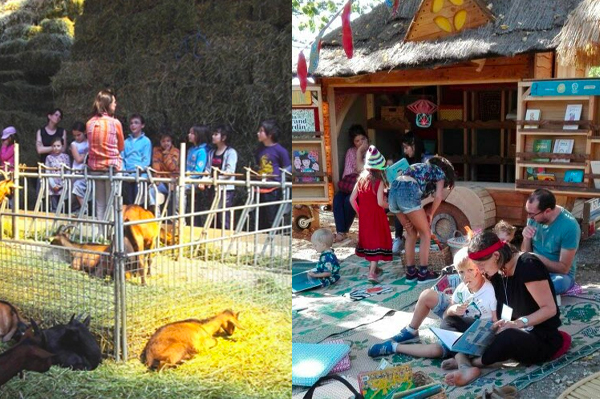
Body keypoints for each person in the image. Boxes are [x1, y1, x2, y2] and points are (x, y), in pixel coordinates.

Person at [444, 230, 563, 387]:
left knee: (507, 337)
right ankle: (465, 365)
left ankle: (470, 362)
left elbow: (549, 309)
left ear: (496, 256)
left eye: (481, 265)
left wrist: (518, 323)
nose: (480, 270)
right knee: (450, 321)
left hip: (539, 337)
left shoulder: (528, 266)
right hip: (508, 327)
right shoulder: (497, 271)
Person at [368, 246, 496, 358]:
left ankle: (394, 347)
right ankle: (411, 331)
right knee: (427, 295)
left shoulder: (489, 292)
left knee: (435, 350)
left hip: (472, 334)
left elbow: (494, 324)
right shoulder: (462, 288)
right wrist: (453, 309)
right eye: (461, 272)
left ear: (479, 269)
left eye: (470, 271)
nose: (465, 277)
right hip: (456, 323)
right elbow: (446, 317)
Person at [388, 156, 456, 283]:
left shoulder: (420, 168)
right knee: (425, 233)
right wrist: (430, 213)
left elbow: (413, 201)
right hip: (407, 191)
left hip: (393, 193)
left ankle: (411, 273)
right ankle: (423, 273)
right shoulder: (439, 172)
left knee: (411, 232)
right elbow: (438, 197)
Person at [521, 189, 580, 295]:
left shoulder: (570, 226)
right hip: (534, 268)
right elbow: (525, 253)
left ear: (547, 211)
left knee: (558, 283)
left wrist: (539, 260)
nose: (529, 217)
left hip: (558, 275)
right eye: (528, 212)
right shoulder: (534, 218)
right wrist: (526, 238)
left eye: (532, 214)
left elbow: (564, 269)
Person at [349, 145, 392, 283]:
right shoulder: (378, 182)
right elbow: (380, 202)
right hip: (376, 216)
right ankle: (372, 273)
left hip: (365, 217)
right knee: (377, 241)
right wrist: (391, 206)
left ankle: (374, 268)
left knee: (370, 241)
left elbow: (351, 199)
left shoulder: (361, 179)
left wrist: (359, 211)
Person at [86, 89, 124, 220]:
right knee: (113, 204)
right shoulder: (115, 123)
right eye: (113, 102)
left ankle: (100, 235)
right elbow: (121, 147)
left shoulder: (89, 123)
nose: (115, 104)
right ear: (107, 104)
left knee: (100, 204)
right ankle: (113, 234)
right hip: (112, 168)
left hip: (95, 168)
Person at [332, 124, 368, 244]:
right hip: (350, 185)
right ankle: (341, 232)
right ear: (353, 142)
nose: (360, 143)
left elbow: (361, 171)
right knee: (337, 199)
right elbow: (347, 173)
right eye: (357, 141)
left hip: (363, 187)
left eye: (362, 139)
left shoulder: (372, 151)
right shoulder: (350, 152)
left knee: (349, 201)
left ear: (367, 138)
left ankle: (343, 231)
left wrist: (359, 154)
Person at [254, 118, 291, 230]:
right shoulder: (259, 150)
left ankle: (273, 241)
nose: (258, 133)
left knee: (272, 218)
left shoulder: (280, 151)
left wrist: (279, 177)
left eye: (261, 131)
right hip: (259, 188)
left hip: (273, 189)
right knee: (259, 219)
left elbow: (287, 168)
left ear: (270, 134)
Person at [393, 131, 425, 254]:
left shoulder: (425, 159)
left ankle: (404, 237)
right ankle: (399, 237)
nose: (405, 151)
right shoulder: (406, 162)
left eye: (407, 147)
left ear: (414, 145)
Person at [205, 124, 238, 229]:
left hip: (226, 189)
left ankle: (228, 238)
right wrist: (204, 179)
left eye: (216, 134)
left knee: (224, 216)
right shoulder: (211, 153)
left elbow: (229, 172)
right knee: (213, 215)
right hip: (213, 188)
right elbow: (207, 169)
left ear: (223, 137)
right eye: (213, 134)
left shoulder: (231, 152)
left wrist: (213, 179)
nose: (213, 136)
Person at [121, 114, 152, 205]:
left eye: (136, 123)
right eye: (131, 123)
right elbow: (122, 158)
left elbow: (146, 160)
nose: (133, 125)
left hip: (140, 175)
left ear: (142, 125)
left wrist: (137, 172)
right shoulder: (125, 142)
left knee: (138, 202)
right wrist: (124, 172)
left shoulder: (146, 141)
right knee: (128, 201)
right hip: (127, 176)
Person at [186, 124, 210, 226]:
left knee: (179, 189)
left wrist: (187, 177)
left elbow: (198, 171)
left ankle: (178, 216)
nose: (189, 135)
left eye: (192, 133)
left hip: (195, 181)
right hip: (187, 178)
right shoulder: (191, 149)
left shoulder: (203, 151)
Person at [151, 132, 180, 214]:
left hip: (173, 181)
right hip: (162, 181)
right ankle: (156, 216)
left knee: (174, 198)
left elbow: (173, 167)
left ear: (171, 142)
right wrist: (157, 177)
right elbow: (156, 166)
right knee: (152, 190)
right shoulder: (156, 150)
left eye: (168, 141)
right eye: (163, 141)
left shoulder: (176, 152)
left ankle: (175, 219)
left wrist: (166, 154)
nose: (166, 143)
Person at [45, 136, 70, 212]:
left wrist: (62, 184)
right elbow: (47, 171)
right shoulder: (49, 157)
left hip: (62, 185)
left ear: (62, 146)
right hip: (52, 187)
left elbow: (68, 170)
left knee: (62, 206)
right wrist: (53, 185)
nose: (56, 148)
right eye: (54, 146)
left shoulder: (66, 157)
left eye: (58, 146)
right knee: (54, 207)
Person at [69, 121, 89, 209]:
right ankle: (83, 208)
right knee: (76, 190)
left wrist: (83, 155)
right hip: (77, 172)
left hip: (87, 171)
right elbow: (78, 159)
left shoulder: (89, 142)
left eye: (79, 135)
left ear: (84, 132)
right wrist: (86, 154)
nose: (77, 137)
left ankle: (86, 209)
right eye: (75, 135)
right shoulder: (74, 144)